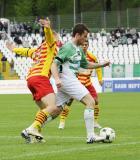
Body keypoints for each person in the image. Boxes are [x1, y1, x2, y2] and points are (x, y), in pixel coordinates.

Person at [51, 23, 110, 143]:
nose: (85, 39)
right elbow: (54, 64)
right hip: (68, 80)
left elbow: (85, 64)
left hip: (67, 82)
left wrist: (102, 64)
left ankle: (32, 128)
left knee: (57, 110)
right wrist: (56, 78)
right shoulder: (68, 47)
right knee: (90, 101)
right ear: (77, 35)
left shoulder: (79, 49)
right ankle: (91, 136)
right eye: (84, 36)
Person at [6, 18, 61, 143]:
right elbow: (49, 37)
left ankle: (34, 135)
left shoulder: (37, 50)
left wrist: (13, 49)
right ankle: (30, 129)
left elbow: (24, 51)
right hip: (41, 78)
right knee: (53, 107)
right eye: (57, 38)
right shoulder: (51, 45)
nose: (58, 40)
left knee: (45, 109)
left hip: (31, 79)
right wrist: (47, 27)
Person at [58, 39, 103, 129]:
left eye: (86, 45)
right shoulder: (75, 55)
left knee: (96, 101)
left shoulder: (92, 57)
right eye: (83, 45)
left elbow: (97, 68)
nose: (84, 46)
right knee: (68, 102)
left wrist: (100, 79)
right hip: (76, 82)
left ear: (88, 46)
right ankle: (62, 121)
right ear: (80, 45)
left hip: (87, 82)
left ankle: (95, 122)